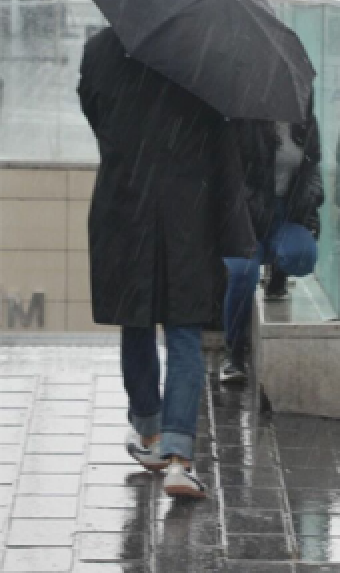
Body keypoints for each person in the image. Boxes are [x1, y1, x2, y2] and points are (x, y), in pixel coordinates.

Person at [79, 27, 255, 500]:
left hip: (125, 205)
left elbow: (96, 116)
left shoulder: (101, 49)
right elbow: (222, 139)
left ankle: (149, 431)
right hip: (186, 213)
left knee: (135, 320)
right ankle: (180, 458)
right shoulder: (201, 53)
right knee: (183, 330)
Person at [220, 109, 324, 384]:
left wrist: (310, 202)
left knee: (303, 255)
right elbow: (229, 175)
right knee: (243, 273)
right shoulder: (244, 119)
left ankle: (278, 271)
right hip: (245, 217)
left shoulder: (303, 120)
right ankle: (234, 352)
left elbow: (312, 168)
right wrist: (248, 209)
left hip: (283, 216)